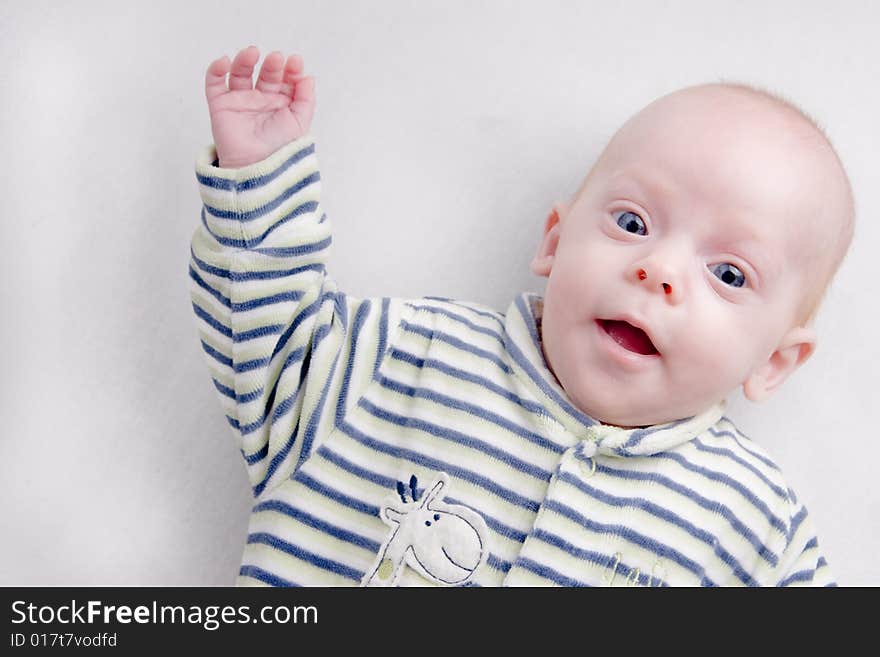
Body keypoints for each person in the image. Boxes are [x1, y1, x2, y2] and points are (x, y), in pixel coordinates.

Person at [188, 45, 852, 586]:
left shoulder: (755, 526)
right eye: (632, 221)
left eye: (729, 273)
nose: (660, 271)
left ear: (774, 360)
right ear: (556, 244)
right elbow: (269, 340)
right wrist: (262, 180)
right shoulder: (404, 356)